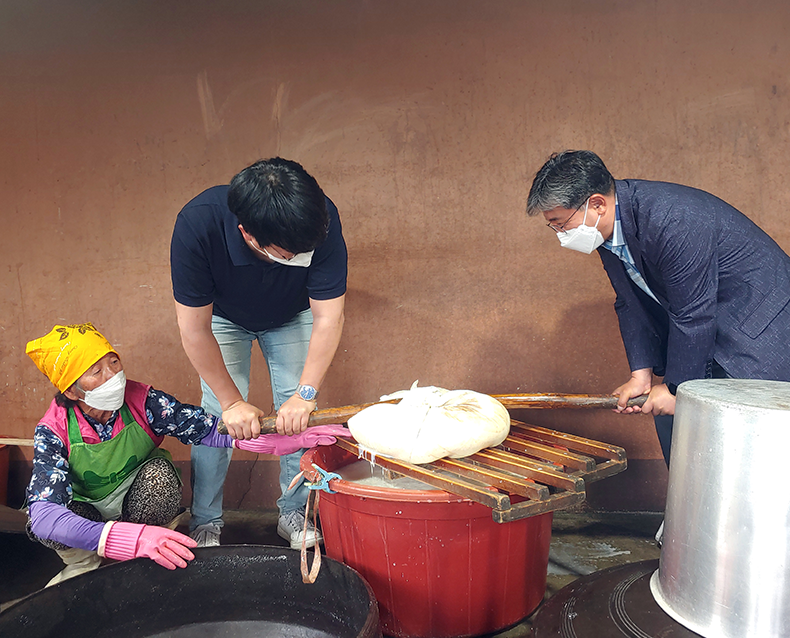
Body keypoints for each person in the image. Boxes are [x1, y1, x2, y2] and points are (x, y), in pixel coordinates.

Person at [24, 322, 347, 585]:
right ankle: (87, 562)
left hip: (134, 500)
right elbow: (43, 516)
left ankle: (148, 549)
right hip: (88, 513)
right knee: (62, 526)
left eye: (114, 362)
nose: (114, 377)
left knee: (160, 478)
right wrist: (116, 538)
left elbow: (205, 428)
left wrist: (275, 441)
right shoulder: (53, 429)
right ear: (70, 390)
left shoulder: (143, 400)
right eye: (96, 372)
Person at [527, 150, 790, 466]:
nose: (561, 235)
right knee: (668, 416)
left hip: (758, 326)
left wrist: (678, 390)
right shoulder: (606, 232)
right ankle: (691, 511)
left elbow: (693, 313)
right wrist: (642, 375)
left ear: (597, 204)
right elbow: (628, 301)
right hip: (708, 323)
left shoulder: (673, 219)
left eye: (561, 223)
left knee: (746, 443)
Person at [170, 157, 347, 549]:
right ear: (248, 234)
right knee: (218, 417)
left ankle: (294, 512)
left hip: (294, 313)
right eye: (290, 254)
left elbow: (328, 318)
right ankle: (206, 519)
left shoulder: (321, 218)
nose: (302, 258)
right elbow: (193, 329)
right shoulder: (197, 225)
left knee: (298, 414)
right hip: (223, 318)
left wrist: (305, 394)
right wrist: (232, 401)